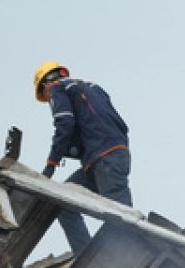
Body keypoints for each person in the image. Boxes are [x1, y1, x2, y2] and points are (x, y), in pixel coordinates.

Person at [32, 62, 130, 251]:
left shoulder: (56, 88)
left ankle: (124, 258)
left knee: (121, 216)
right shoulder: (93, 88)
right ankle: (86, 257)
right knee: (64, 203)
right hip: (108, 156)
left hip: (104, 158)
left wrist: (51, 163)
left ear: (44, 85)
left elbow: (64, 123)